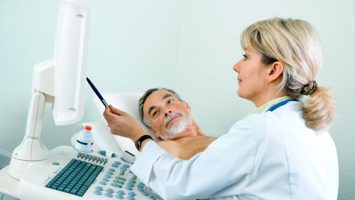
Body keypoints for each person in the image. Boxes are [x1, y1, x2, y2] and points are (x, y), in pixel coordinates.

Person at [103, 17, 338, 199]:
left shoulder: (260, 130)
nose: (236, 66)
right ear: (154, 130)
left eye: (245, 57)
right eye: (154, 112)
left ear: (273, 70)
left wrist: (137, 135)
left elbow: (178, 184)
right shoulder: (315, 130)